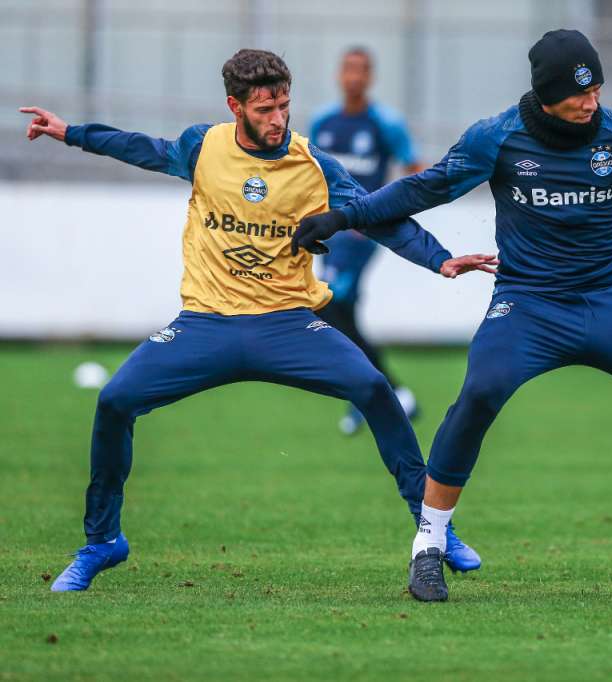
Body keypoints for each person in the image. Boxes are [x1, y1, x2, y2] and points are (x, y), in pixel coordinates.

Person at [21, 49, 489, 592]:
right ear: (235, 107)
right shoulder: (204, 145)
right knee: (114, 401)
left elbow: (379, 216)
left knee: (373, 387)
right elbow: (145, 150)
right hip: (205, 325)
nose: (278, 120)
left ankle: (432, 530)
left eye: (284, 106)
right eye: (265, 109)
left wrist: (439, 258)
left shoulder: (313, 164)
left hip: (288, 325)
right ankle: (102, 541)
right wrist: (73, 132)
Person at [293, 30, 612, 602]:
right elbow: (425, 189)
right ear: (547, 95)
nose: (591, 102)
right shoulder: (498, 138)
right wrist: (342, 216)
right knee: (477, 396)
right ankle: (428, 543)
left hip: (609, 297)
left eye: (597, 88)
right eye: (578, 94)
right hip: (527, 304)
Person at [309, 47, 424, 435]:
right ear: (339, 75)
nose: (353, 77)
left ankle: (391, 391)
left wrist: (384, 209)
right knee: (345, 316)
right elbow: (311, 172)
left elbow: (415, 169)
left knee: (329, 305)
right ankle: (367, 398)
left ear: (370, 77)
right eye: (348, 69)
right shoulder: (323, 121)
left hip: (359, 236)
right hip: (330, 231)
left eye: (361, 70)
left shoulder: (384, 123)